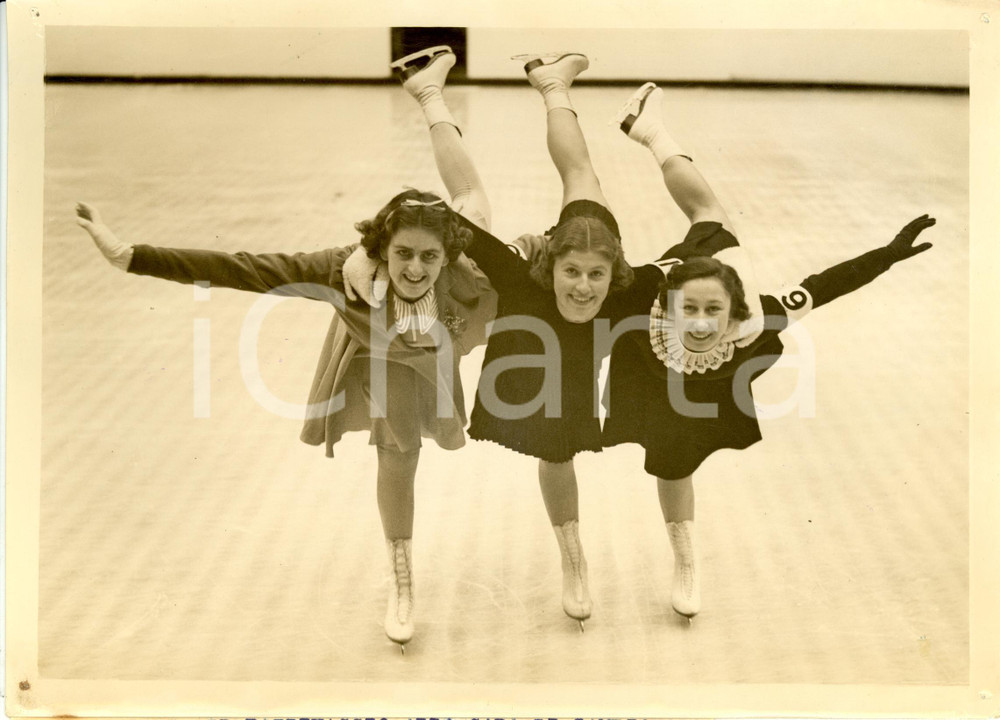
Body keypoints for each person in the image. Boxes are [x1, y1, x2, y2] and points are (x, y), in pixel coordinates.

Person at [74, 191, 496, 652]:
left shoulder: (466, 270)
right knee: (398, 455)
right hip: (380, 356)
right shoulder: (343, 272)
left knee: (474, 202)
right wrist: (130, 256)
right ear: (381, 249)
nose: (414, 269)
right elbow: (243, 269)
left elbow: (536, 266)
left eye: (428, 256)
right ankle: (401, 570)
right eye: (402, 253)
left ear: (447, 254)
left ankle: (442, 134)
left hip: (433, 350)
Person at [599, 82, 937, 621]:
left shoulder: (757, 316)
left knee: (710, 214)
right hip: (679, 284)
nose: (704, 325)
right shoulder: (644, 298)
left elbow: (826, 285)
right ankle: (653, 133)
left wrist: (889, 255)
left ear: (734, 312)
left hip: (722, 264)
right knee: (703, 207)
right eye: (692, 313)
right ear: (669, 305)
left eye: (716, 314)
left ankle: (685, 560)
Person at [354, 47, 637, 630]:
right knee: (475, 200)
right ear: (553, 261)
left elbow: (685, 273)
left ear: (612, 274)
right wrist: (369, 245)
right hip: (478, 305)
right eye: (572, 271)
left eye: (596, 277)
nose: (584, 288)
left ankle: (544, 84)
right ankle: (434, 93)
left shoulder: (624, 285)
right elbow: (426, 214)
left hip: (516, 312)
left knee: (577, 176)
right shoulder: (508, 272)